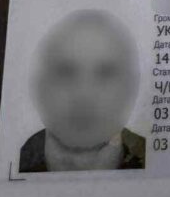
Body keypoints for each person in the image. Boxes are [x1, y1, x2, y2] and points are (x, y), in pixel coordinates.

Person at [19, 9, 144, 172]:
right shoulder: (11, 164)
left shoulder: (157, 160)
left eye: (106, 73)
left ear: (132, 87)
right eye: (65, 72)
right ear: (39, 87)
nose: (84, 95)